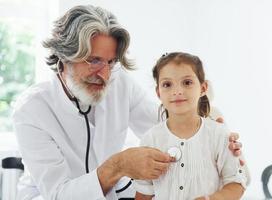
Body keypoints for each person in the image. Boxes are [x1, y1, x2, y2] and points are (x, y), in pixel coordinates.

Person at [12, 5, 245, 200]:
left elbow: (166, 124)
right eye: (93, 60)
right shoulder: (32, 110)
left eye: (111, 62)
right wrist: (118, 165)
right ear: (64, 56)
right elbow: (57, 194)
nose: (104, 74)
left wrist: (209, 133)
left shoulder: (118, 82)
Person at [134, 52, 247, 200]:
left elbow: (236, 184)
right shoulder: (150, 139)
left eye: (187, 82)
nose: (177, 91)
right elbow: (143, 193)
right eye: (167, 84)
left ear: (203, 88)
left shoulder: (219, 135)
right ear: (158, 93)